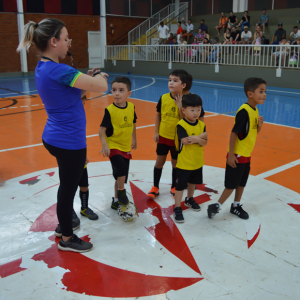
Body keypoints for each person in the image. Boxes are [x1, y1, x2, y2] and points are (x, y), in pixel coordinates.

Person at [17, 18, 108, 253]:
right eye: (66, 39)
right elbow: (102, 88)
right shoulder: (60, 69)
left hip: (57, 137)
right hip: (68, 141)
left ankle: (63, 226)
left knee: (66, 185)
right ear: (54, 41)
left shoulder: (44, 67)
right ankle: (67, 238)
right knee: (67, 190)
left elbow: (73, 96)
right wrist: (99, 78)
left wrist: (85, 80)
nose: (69, 43)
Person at [207, 77, 266, 220]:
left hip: (246, 155)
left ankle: (236, 205)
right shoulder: (244, 111)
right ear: (250, 93)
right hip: (238, 155)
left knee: (241, 182)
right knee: (231, 185)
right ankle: (217, 205)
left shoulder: (255, 110)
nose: (264, 94)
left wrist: (259, 127)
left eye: (265, 91)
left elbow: (250, 134)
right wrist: (231, 155)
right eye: (261, 91)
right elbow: (234, 133)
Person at [147, 70, 188, 200]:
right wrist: (156, 132)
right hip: (163, 136)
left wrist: (180, 105)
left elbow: (184, 121)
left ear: (183, 85)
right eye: (170, 80)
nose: (171, 83)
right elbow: (158, 115)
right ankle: (155, 187)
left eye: (175, 81)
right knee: (159, 162)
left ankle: (174, 186)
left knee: (175, 164)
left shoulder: (185, 100)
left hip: (177, 139)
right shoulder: (164, 98)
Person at [99, 77, 137, 210]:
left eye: (121, 90)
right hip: (113, 145)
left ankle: (115, 200)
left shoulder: (131, 107)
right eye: (114, 90)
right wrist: (105, 145)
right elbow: (101, 130)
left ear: (129, 93)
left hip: (125, 146)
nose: (117, 93)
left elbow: (133, 123)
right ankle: (122, 192)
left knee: (121, 176)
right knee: (121, 170)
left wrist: (135, 138)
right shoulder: (109, 110)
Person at [173, 94, 207, 223]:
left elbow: (205, 141)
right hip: (184, 163)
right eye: (192, 110)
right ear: (184, 110)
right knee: (180, 186)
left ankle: (189, 199)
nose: (196, 113)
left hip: (197, 162)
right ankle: (177, 207)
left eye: (198, 110)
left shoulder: (201, 125)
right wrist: (200, 138)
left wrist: (197, 139)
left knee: (193, 183)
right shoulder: (181, 124)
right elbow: (185, 141)